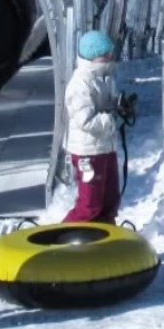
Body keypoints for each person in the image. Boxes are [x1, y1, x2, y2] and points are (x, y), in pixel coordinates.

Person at [63, 30, 134, 224]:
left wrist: (120, 106)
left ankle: (104, 240)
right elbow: (86, 121)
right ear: (93, 58)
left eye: (111, 53)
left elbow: (107, 105)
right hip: (87, 154)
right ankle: (60, 241)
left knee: (110, 201)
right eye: (106, 55)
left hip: (104, 148)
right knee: (90, 205)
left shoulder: (104, 79)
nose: (111, 58)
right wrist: (113, 118)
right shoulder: (80, 85)